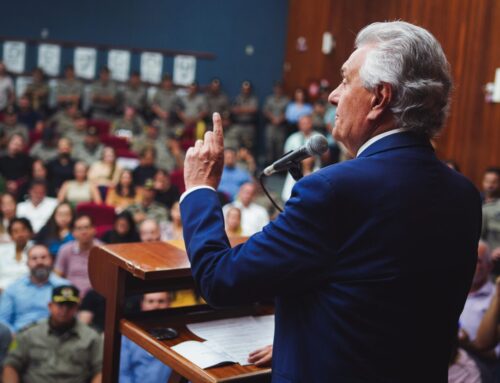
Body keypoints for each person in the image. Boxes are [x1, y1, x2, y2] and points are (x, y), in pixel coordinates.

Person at [179, 21, 481, 382]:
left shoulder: (333, 189)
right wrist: (307, 337)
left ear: (379, 98)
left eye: (345, 81)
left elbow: (219, 279)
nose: (333, 96)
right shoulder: (464, 195)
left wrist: (199, 190)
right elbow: (389, 306)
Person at [2, 284, 103, 383]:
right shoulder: (29, 333)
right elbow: (11, 365)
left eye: (70, 305)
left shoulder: (91, 337)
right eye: (60, 305)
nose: (64, 310)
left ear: (77, 308)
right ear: (50, 306)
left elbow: (100, 370)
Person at [119, 292, 172, 383]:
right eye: (151, 301)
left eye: (161, 301)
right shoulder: (129, 336)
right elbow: (122, 373)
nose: (156, 305)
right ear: (142, 304)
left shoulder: (180, 336)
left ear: (169, 304)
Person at [55, 214, 102, 297]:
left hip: (95, 296)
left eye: (87, 227)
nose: (84, 232)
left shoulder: (103, 251)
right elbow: (57, 276)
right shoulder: (65, 250)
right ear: (73, 233)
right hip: (70, 296)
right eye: (79, 228)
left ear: (94, 229)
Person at [0, 218, 33, 291]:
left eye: (23, 230)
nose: (20, 235)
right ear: (11, 236)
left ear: (30, 232)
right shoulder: (2, 251)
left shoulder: (36, 250)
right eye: (15, 231)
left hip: (26, 291)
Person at [263, 81, 289, 163]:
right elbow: (265, 110)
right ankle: (269, 164)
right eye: (276, 88)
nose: (278, 90)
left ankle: (280, 166)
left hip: (281, 127)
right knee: (269, 146)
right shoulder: (269, 99)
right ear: (274, 89)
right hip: (271, 126)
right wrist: (273, 118)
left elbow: (289, 112)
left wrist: (280, 119)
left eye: (279, 88)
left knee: (280, 147)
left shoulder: (286, 100)